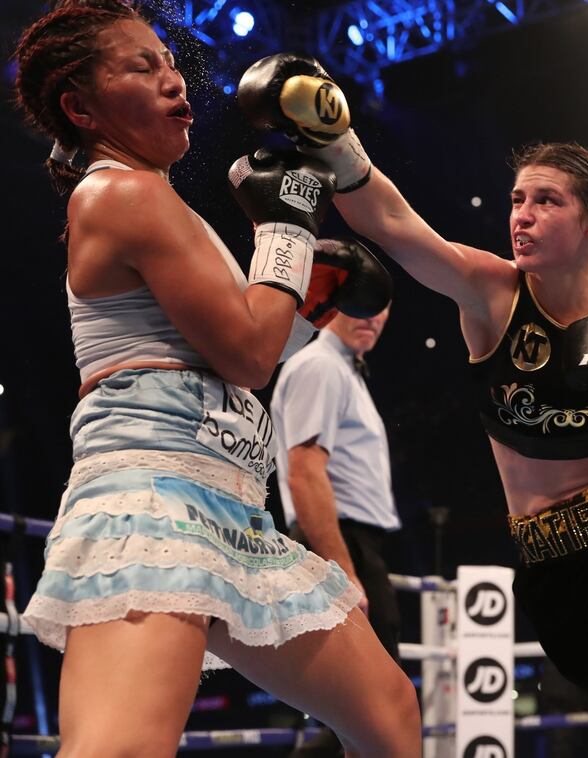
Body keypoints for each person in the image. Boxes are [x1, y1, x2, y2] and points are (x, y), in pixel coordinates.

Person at [234, 53, 588, 758]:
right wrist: (335, 140)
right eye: (517, 200)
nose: (522, 217)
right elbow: (396, 224)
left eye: (547, 201)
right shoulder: (491, 293)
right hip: (545, 560)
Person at [12, 5, 420, 757]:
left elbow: (236, 345)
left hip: (229, 504)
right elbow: (249, 355)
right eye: (141, 67)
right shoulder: (120, 194)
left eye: (169, 63)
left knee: (389, 713)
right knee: (121, 749)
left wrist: (301, 283)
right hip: (153, 498)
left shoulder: (161, 203)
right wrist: (287, 230)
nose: (173, 80)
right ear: (81, 108)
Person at [271, 304, 401, 757]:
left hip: (350, 543)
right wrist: (342, 570)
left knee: (364, 716)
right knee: (376, 712)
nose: (372, 316)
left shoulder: (343, 370)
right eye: (360, 303)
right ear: (331, 303)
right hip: (339, 543)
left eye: (381, 307)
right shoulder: (320, 366)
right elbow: (305, 473)